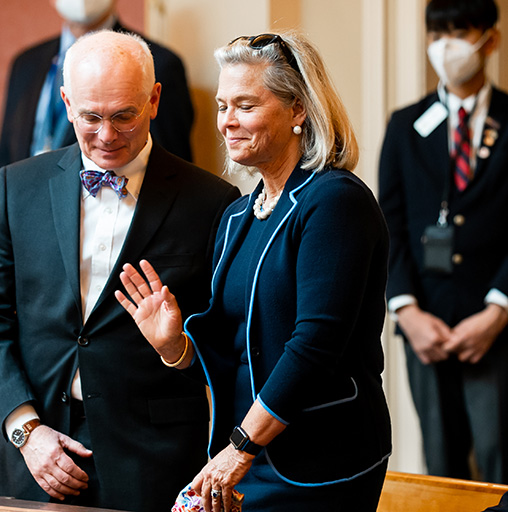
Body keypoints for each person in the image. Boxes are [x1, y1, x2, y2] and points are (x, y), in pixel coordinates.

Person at [0, 30, 240, 512]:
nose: (107, 135)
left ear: (153, 100)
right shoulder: (17, 187)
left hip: (154, 465)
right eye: (90, 117)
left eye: (123, 116)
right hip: (32, 460)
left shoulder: (214, 204)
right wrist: (26, 431)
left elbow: (232, 345)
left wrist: (177, 348)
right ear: (66, 103)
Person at [117, 32, 392, 512]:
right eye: (223, 106)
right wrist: (175, 347)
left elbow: (315, 345)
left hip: (318, 459)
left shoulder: (334, 200)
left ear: (299, 110)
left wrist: (241, 447)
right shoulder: (237, 216)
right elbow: (235, 348)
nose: (226, 122)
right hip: (249, 450)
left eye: (244, 105)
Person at [378, 0, 508, 483]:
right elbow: (387, 224)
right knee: (442, 465)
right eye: (437, 35)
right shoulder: (405, 125)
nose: (445, 46)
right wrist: (407, 310)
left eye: (459, 32)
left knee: (499, 462)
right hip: (424, 325)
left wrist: (498, 309)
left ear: (489, 40)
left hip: (496, 323)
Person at [0, 0, 194, 183]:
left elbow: (172, 174)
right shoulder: (26, 64)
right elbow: (4, 159)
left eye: (122, 115)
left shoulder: (159, 65)